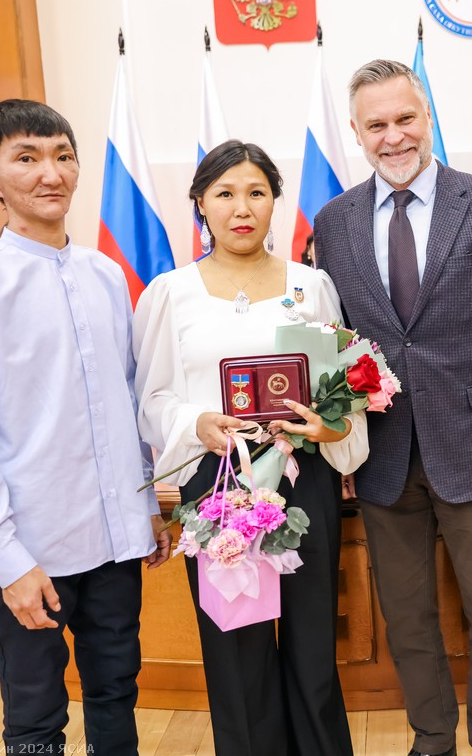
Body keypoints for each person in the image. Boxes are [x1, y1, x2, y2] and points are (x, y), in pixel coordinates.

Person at [314, 59, 472, 756]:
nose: (393, 137)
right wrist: (340, 445)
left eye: (404, 118)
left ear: (428, 117)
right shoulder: (333, 221)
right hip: (381, 458)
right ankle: (433, 740)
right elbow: (332, 340)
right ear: (355, 133)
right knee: (408, 619)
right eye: (375, 125)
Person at [0, 99, 171, 754]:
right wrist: (6, 560)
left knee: (116, 689)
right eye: (27, 158)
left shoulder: (104, 275)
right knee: (37, 716)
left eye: (63, 156)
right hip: (31, 546)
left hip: (114, 540)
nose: (51, 174)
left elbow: (125, 401)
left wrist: (144, 504)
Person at [133, 140, 368, 756]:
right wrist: (196, 421)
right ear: (200, 207)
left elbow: (341, 385)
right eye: (225, 193)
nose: (243, 207)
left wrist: (329, 428)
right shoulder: (170, 293)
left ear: (275, 205)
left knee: (313, 640)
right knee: (236, 644)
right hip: (216, 485)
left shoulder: (311, 285)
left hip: (301, 475)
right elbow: (151, 397)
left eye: (257, 192)